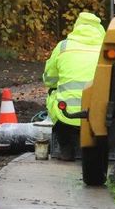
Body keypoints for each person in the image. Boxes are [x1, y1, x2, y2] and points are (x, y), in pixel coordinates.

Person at [43, 12, 106, 161]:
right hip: (98, 114)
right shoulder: (106, 48)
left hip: (67, 115)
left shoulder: (63, 46)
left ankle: (66, 148)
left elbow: (49, 79)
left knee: (53, 93)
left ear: (76, 26)